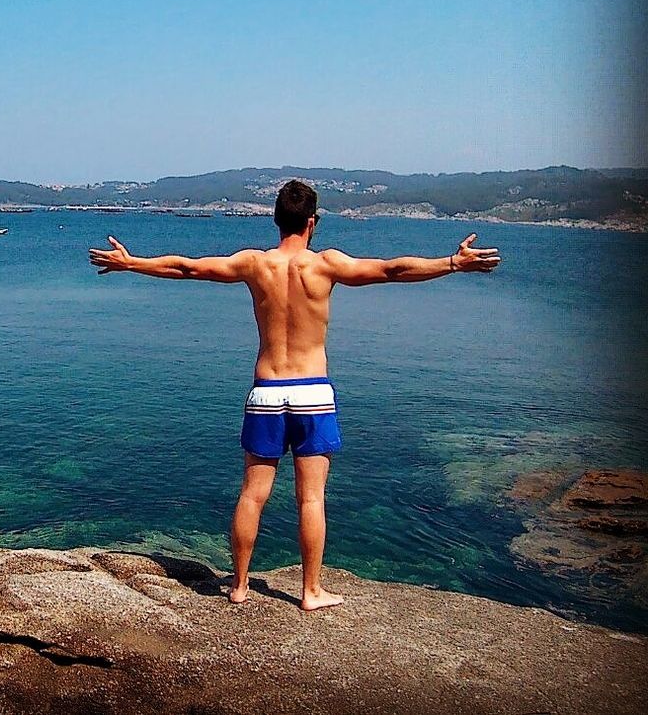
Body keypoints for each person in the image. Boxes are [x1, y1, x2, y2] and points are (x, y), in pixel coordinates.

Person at [87, 179, 500, 611]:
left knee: (252, 493)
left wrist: (132, 263)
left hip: (266, 390)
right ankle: (310, 591)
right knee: (311, 497)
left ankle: (240, 586)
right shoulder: (326, 265)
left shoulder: (254, 264)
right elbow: (392, 270)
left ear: (275, 219)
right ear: (312, 222)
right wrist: (453, 263)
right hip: (313, 393)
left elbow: (188, 268)